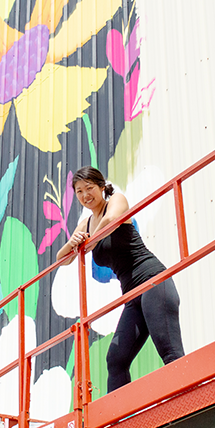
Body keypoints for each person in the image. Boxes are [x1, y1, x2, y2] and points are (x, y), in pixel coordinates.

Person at [56, 166, 184, 390]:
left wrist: (89, 242)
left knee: (168, 349)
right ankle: (119, 421)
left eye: (89, 188)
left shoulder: (116, 200)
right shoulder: (85, 224)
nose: (86, 195)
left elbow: (113, 219)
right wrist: (73, 242)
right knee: (116, 359)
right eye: (79, 192)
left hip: (153, 281)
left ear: (101, 186)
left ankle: (189, 399)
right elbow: (62, 259)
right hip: (131, 295)